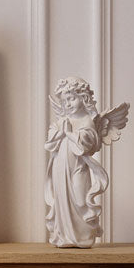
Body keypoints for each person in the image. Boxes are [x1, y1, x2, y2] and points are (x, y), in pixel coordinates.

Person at [44, 77, 129, 248]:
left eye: (72, 98)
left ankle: (83, 236)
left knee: (80, 200)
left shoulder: (87, 121)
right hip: (60, 166)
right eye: (65, 100)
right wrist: (59, 132)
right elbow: (50, 139)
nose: (68, 104)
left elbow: (88, 142)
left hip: (78, 166)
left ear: (83, 98)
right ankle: (64, 236)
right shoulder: (62, 120)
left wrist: (68, 133)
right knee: (62, 198)